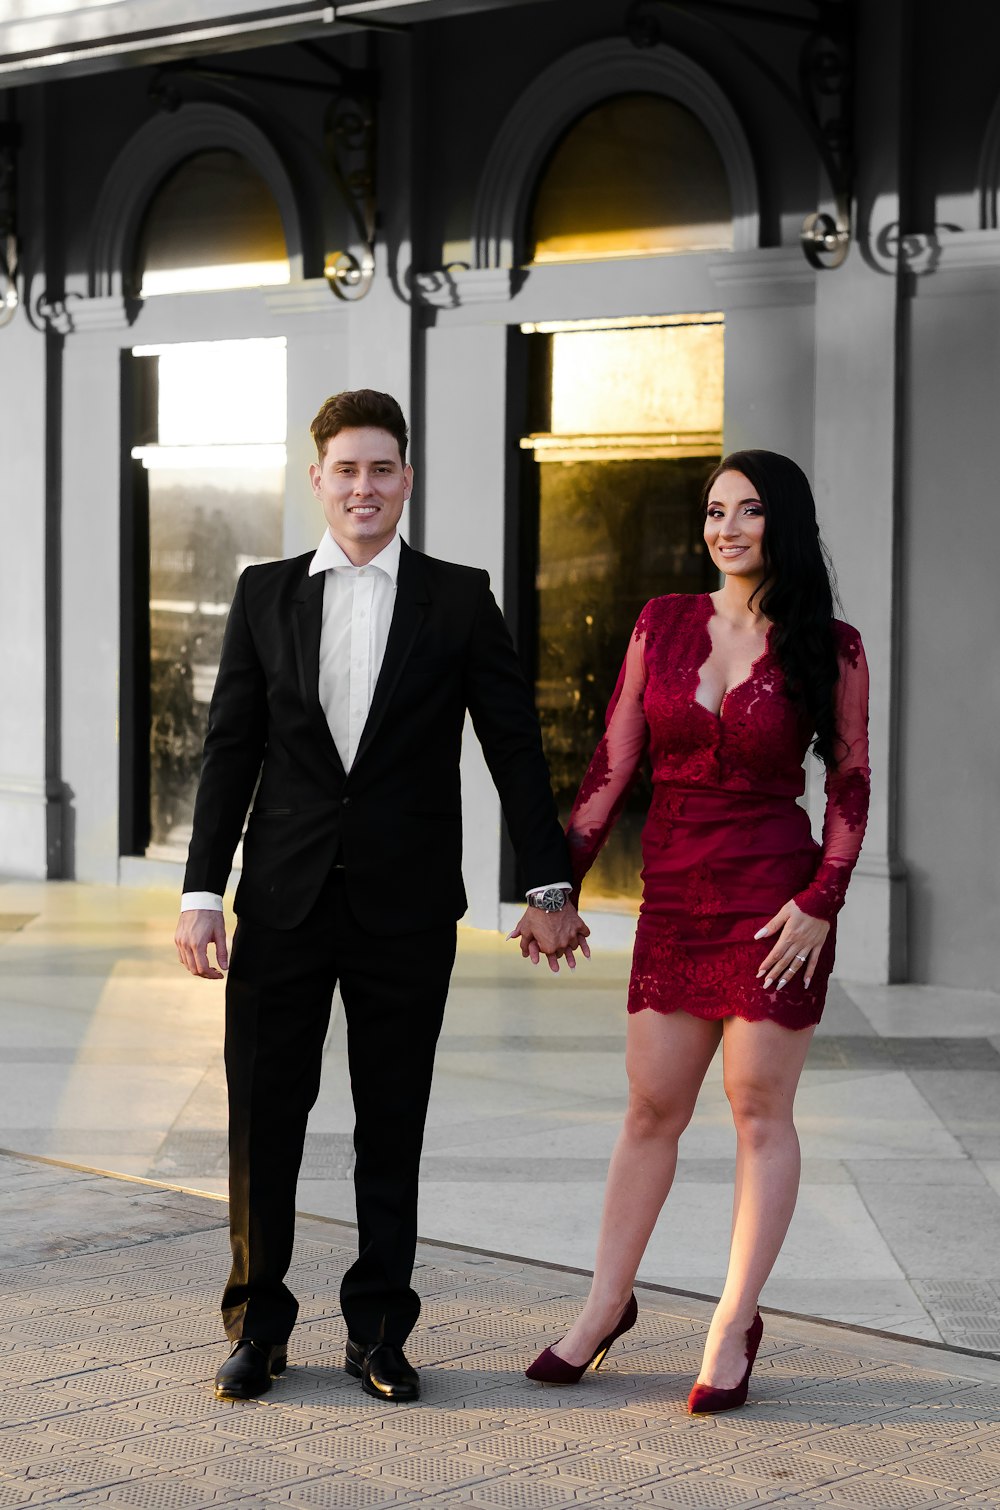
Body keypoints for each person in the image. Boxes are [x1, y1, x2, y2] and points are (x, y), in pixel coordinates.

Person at [174, 389, 589, 1404]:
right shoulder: (264, 594)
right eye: (346, 469)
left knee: (389, 1122)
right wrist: (200, 889)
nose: (364, 487)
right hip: (280, 900)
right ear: (316, 479)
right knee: (262, 1120)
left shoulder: (457, 597)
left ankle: (377, 1331)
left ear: (406, 478)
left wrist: (546, 882)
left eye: (382, 468)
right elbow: (230, 750)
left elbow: (513, 747)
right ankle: (257, 1325)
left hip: (407, 911)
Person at [515, 450, 870, 1412]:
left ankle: (733, 1320)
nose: (728, 528)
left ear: (782, 524)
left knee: (759, 1111)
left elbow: (847, 781)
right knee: (650, 1111)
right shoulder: (661, 623)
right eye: (715, 511)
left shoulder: (828, 644)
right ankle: (604, 1306)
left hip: (775, 909)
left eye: (750, 512)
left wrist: (821, 900)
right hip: (674, 900)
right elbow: (612, 761)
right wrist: (558, 888)